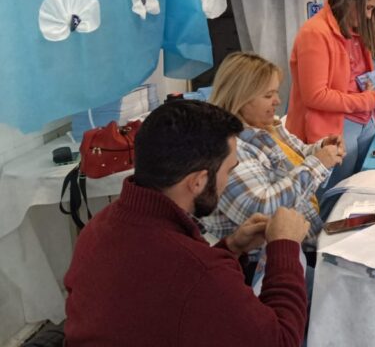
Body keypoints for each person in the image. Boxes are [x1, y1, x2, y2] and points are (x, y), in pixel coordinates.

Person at [64, 100, 312, 347]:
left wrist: (231, 248)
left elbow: (168, 291)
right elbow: (281, 341)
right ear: (198, 181)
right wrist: (285, 249)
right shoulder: (198, 270)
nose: (229, 180)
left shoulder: (99, 226)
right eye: (229, 170)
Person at [286, 0, 375, 202]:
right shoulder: (314, 33)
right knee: (330, 200)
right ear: (350, 0)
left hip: (362, 123)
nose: (370, 16)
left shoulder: (354, 31)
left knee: (356, 194)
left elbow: (364, 79)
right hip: (333, 130)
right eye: (368, 8)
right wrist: (369, 99)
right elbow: (315, 96)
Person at [204, 52, 344, 252]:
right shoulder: (229, 147)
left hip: (307, 240)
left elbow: (297, 156)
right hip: (271, 261)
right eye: (268, 95)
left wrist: (321, 149)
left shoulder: (268, 127)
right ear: (240, 98)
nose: (277, 101)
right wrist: (318, 164)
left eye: (276, 93)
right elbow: (262, 210)